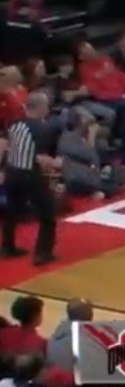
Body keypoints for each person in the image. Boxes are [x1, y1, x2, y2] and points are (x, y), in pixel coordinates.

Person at [1, 93, 59, 265]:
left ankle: (7, 247)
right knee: (47, 214)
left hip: (12, 172)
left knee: (12, 211)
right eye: (46, 107)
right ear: (41, 107)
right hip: (30, 174)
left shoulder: (13, 123)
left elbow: (4, 146)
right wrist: (57, 164)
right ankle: (43, 253)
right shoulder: (43, 128)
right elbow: (41, 159)